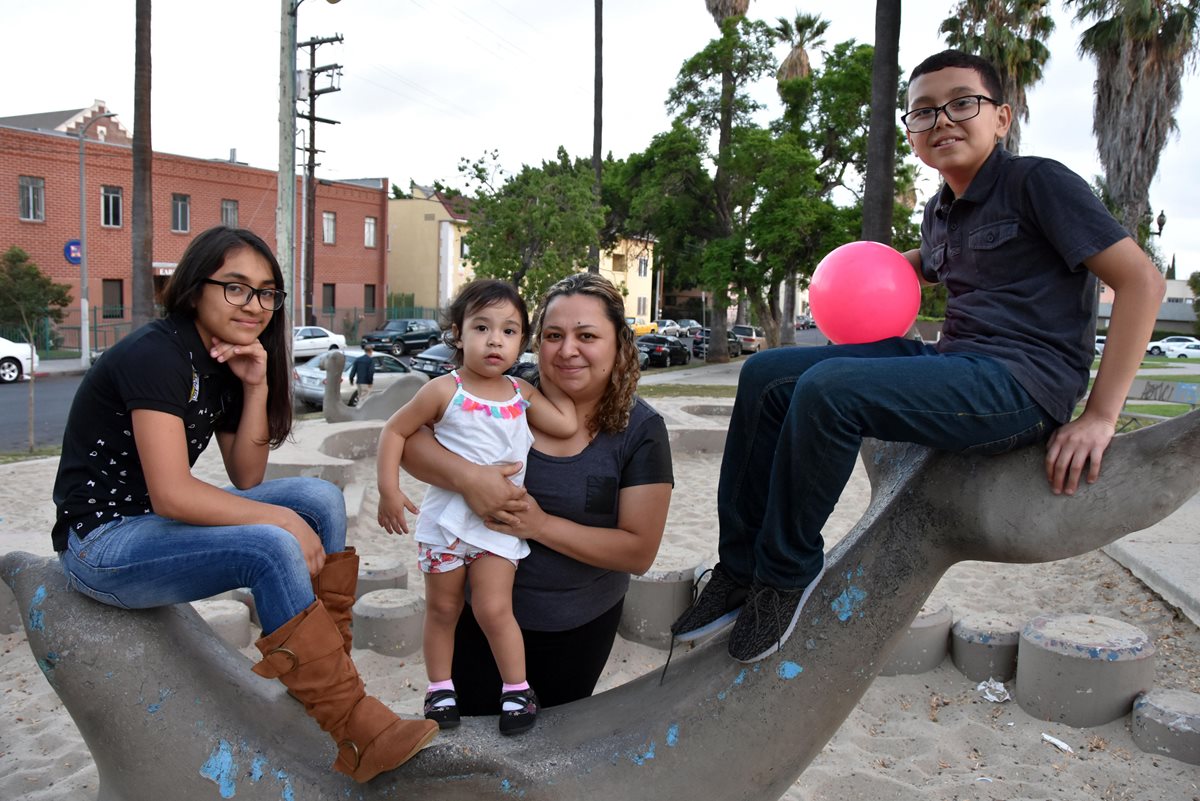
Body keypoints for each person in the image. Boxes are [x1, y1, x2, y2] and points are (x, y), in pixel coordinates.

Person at [671, 49, 1167, 664]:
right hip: (953, 362)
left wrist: (1099, 415)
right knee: (767, 373)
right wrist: (868, 274)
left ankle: (783, 577)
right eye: (923, 112)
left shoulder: (1037, 182)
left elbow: (1142, 281)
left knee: (830, 388)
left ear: (1002, 117)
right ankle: (739, 570)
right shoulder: (939, 212)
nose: (942, 121)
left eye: (963, 103)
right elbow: (915, 266)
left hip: (1018, 386)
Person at [51, 225, 438, 781]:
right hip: (102, 544)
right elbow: (173, 492)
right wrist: (279, 522)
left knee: (320, 499)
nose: (253, 304)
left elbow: (248, 475)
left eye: (265, 292)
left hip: (151, 522)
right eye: (235, 287)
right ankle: (356, 727)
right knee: (271, 544)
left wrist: (255, 385)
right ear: (193, 289)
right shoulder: (157, 355)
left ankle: (331, 681)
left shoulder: (226, 357)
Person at [398, 272, 674, 716]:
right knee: (470, 735)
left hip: (577, 626)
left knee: (547, 742)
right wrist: (469, 478)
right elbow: (410, 442)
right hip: (476, 615)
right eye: (553, 335)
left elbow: (638, 551)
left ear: (618, 344)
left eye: (587, 335)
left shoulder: (639, 430)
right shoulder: (505, 390)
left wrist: (539, 525)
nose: (567, 350)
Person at [376, 279, 578, 735]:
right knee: (443, 610)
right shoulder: (443, 391)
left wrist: (549, 377)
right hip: (445, 526)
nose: (494, 340)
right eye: (482, 327)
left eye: (509, 332)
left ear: (521, 342)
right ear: (457, 334)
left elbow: (565, 424)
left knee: (493, 609)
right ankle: (440, 688)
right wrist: (388, 489)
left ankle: (517, 690)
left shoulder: (521, 396)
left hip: (497, 527)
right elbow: (394, 431)